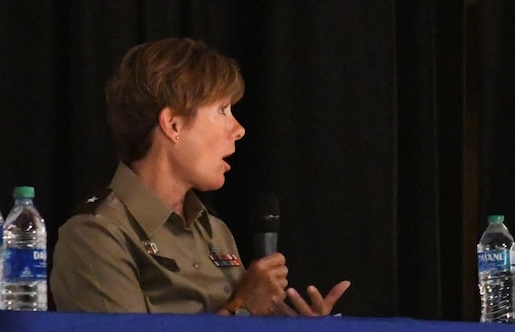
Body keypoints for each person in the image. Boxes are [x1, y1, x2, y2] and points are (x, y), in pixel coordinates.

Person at [51, 37, 347, 316]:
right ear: (173, 124)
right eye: (222, 110)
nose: (239, 129)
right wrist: (242, 309)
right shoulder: (96, 236)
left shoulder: (214, 231)